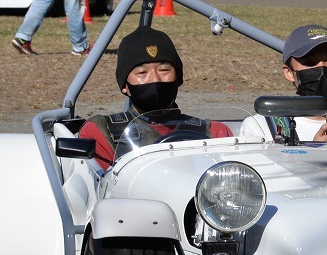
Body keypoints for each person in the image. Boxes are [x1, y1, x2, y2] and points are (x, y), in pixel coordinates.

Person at [78, 26, 233, 168]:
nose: (155, 79)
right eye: (142, 73)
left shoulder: (214, 133)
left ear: (178, 79)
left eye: (164, 70)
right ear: (125, 86)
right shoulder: (102, 132)